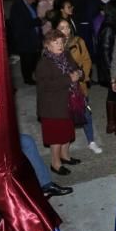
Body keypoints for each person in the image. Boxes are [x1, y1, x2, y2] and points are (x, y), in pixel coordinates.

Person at [35, 29, 82, 174]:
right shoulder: (44, 63)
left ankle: (65, 156)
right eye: (55, 42)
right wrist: (69, 79)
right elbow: (45, 85)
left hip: (68, 101)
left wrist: (79, 72)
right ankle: (55, 164)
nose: (60, 45)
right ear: (47, 45)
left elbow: (75, 68)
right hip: (52, 107)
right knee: (56, 137)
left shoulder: (66, 55)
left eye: (61, 42)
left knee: (67, 132)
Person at [55, 19, 102, 155]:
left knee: (86, 112)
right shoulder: (53, 45)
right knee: (65, 116)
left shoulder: (78, 41)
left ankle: (91, 141)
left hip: (79, 85)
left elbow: (87, 60)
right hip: (63, 88)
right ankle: (64, 145)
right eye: (62, 28)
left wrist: (84, 76)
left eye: (68, 27)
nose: (66, 31)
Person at [96, 3, 116, 139]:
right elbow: (106, 51)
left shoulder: (110, 25)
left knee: (112, 94)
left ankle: (111, 124)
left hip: (111, 68)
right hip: (112, 68)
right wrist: (113, 74)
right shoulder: (109, 28)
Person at [8, 0, 42, 85]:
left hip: (32, 37)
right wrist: (38, 21)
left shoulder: (28, 5)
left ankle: (32, 76)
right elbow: (21, 24)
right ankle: (28, 79)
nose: (34, 1)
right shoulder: (17, 6)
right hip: (24, 38)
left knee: (33, 58)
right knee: (26, 59)